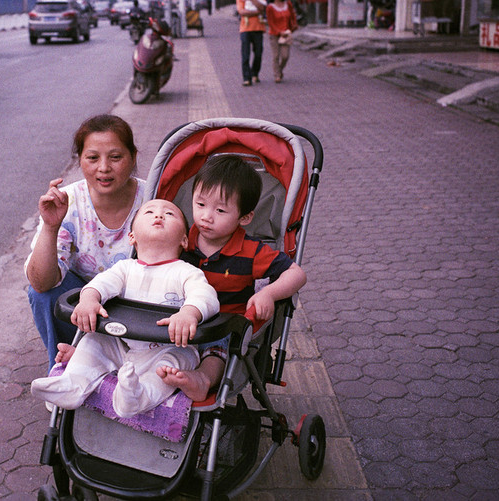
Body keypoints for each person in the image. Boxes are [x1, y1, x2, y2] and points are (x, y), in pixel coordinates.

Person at [30, 199, 220, 418]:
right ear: (132, 237)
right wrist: (90, 299)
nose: (159, 216)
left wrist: (189, 312)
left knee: (176, 363)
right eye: (149, 212)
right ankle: (72, 383)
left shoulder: (185, 272)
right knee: (93, 341)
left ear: (184, 240)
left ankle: (138, 396)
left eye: (170, 214)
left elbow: (205, 295)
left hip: (165, 348)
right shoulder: (124, 269)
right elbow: (101, 284)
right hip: (121, 344)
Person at [157, 155, 307, 401]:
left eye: (220, 210)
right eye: (200, 204)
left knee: (217, 351)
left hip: (224, 325)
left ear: (245, 217)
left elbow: (296, 274)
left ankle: (202, 379)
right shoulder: (181, 239)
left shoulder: (250, 251)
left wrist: (267, 293)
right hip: (179, 320)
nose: (206, 216)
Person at [26, 115, 146, 368]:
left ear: (133, 157)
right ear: (80, 160)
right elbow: (40, 282)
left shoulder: (154, 200)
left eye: (115, 157)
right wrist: (50, 226)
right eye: (93, 158)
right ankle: (63, 369)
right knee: (43, 294)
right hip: (83, 299)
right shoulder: (66, 200)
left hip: (140, 301)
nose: (104, 167)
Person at [236, 0, 267, 86]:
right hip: (245, 29)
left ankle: (255, 73)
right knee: (245, 54)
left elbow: (263, 8)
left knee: (258, 53)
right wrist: (256, 12)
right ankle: (246, 77)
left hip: (258, 28)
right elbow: (242, 12)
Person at [265, 0, 298, 83]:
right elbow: (270, 22)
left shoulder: (288, 4)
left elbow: (293, 16)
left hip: (286, 33)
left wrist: (294, 26)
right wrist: (279, 32)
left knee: (285, 56)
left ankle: (279, 70)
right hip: (274, 34)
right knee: (276, 56)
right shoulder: (270, 7)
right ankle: (277, 75)